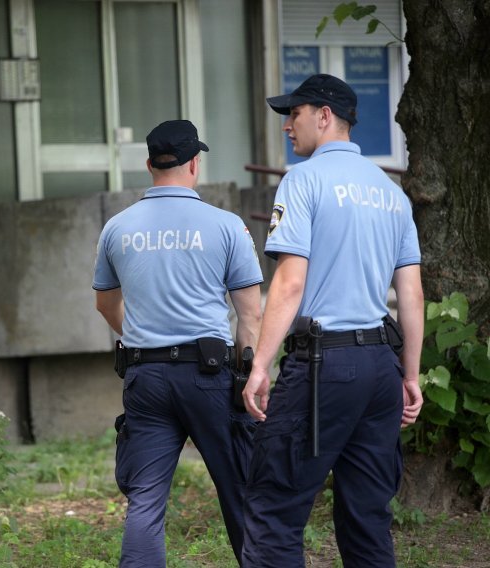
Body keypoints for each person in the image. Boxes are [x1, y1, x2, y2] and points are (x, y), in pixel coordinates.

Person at [241, 74, 424, 567]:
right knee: (367, 518)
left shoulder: (302, 181)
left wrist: (260, 365)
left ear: (324, 116)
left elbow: (289, 283)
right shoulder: (392, 193)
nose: (286, 126)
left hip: (323, 368)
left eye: (293, 114)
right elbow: (411, 292)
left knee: (274, 512)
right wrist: (409, 375)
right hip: (379, 371)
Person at [93, 119, 263, 567]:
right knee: (242, 492)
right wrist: (250, 374)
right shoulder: (227, 226)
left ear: (149, 164)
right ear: (194, 164)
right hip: (210, 377)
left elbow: (105, 304)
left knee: (145, 501)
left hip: (145, 377)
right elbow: (251, 314)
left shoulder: (117, 227)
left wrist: (140, 336)